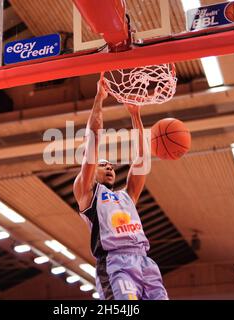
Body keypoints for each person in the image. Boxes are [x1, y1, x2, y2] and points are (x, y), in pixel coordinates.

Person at [73, 74, 168, 300]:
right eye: (102, 164)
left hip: (145, 262)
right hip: (116, 265)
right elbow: (92, 143)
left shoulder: (127, 197)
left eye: (112, 166)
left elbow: (142, 160)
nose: (108, 167)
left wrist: (135, 114)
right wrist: (99, 98)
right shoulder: (88, 194)